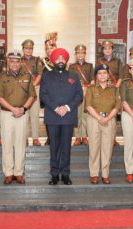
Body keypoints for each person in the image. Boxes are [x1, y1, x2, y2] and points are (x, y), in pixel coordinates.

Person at [40, 48, 83, 185]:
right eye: (57, 58)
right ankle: (54, 174)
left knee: (66, 147)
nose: (60, 60)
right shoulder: (46, 75)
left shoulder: (74, 75)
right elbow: (43, 94)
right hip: (52, 116)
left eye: (63, 58)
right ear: (53, 61)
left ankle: (65, 174)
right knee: (54, 147)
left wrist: (67, 107)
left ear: (66, 60)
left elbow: (79, 95)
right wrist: (57, 108)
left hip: (68, 117)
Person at [0, 51, 36, 184]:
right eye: (11, 61)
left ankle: (18, 172)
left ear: (21, 62)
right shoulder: (1, 77)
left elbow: (32, 95)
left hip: (22, 113)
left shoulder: (27, 76)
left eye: (17, 61)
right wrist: (13, 109)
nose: (14, 63)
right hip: (7, 113)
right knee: (7, 144)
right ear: (8, 62)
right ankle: (8, 173)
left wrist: (23, 109)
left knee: (20, 144)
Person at [85, 64, 120, 184]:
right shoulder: (91, 88)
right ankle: (94, 174)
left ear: (108, 74)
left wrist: (107, 118)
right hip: (94, 120)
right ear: (96, 75)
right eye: (100, 73)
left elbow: (117, 106)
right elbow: (88, 106)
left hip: (109, 120)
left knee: (107, 148)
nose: (102, 75)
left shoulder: (114, 89)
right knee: (94, 147)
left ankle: (105, 174)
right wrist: (99, 118)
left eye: (105, 73)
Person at [68, 44, 94, 145]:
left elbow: (92, 79)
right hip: (76, 93)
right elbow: (69, 80)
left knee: (85, 115)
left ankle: (85, 136)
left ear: (85, 54)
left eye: (82, 52)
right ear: (75, 54)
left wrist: (88, 88)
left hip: (87, 91)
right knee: (77, 115)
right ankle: (78, 136)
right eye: (78, 53)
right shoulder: (72, 66)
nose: (80, 55)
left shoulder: (90, 65)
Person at [21, 39, 43, 146]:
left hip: (35, 88)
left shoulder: (37, 60)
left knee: (34, 114)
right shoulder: (19, 60)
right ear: (23, 49)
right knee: (24, 115)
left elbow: (39, 74)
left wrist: (33, 85)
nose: (28, 50)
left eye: (30, 48)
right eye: (26, 48)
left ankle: (35, 138)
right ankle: (24, 138)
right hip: (22, 89)